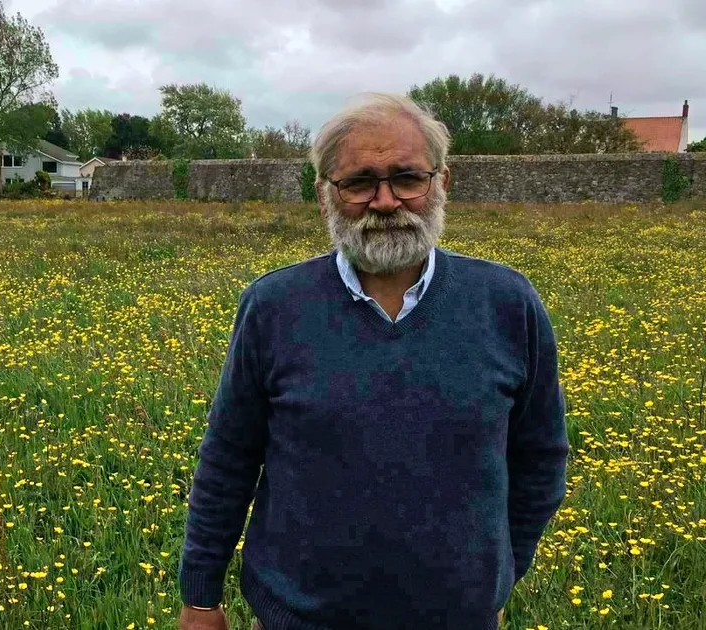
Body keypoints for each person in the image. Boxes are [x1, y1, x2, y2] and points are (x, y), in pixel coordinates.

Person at [177, 93, 569, 630]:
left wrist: (497, 580)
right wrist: (200, 599)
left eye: (408, 178)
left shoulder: (506, 303)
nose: (386, 202)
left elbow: (540, 461)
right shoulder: (274, 307)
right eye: (359, 183)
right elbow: (228, 459)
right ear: (324, 196)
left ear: (442, 183)